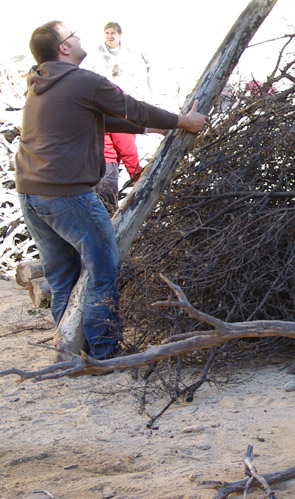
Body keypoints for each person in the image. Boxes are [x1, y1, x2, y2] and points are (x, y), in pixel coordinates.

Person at [15, 21, 209, 360]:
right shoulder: (82, 81)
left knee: (61, 277)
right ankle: (104, 352)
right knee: (102, 268)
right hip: (66, 194)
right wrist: (182, 121)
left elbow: (98, 118)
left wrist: (151, 129)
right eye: (71, 34)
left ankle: (69, 350)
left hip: (30, 193)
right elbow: (131, 107)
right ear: (63, 47)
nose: (78, 37)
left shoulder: (41, 84)